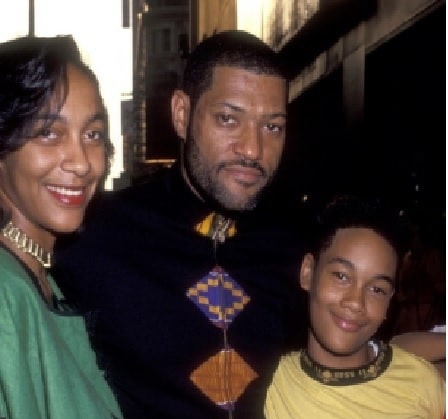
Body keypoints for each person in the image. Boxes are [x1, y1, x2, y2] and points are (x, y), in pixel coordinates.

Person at [53, 30, 307, 418]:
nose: (253, 149)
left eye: (272, 126)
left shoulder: (295, 250)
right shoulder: (97, 237)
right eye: (228, 119)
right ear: (182, 114)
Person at [0, 35, 122, 418]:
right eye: (48, 133)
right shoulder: (6, 293)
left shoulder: (39, 279)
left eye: (93, 135)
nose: (83, 163)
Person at [264, 195, 445, 418]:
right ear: (308, 273)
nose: (356, 302)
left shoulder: (421, 383)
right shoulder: (267, 383)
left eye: (377, 289)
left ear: (390, 301)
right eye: (341, 276)